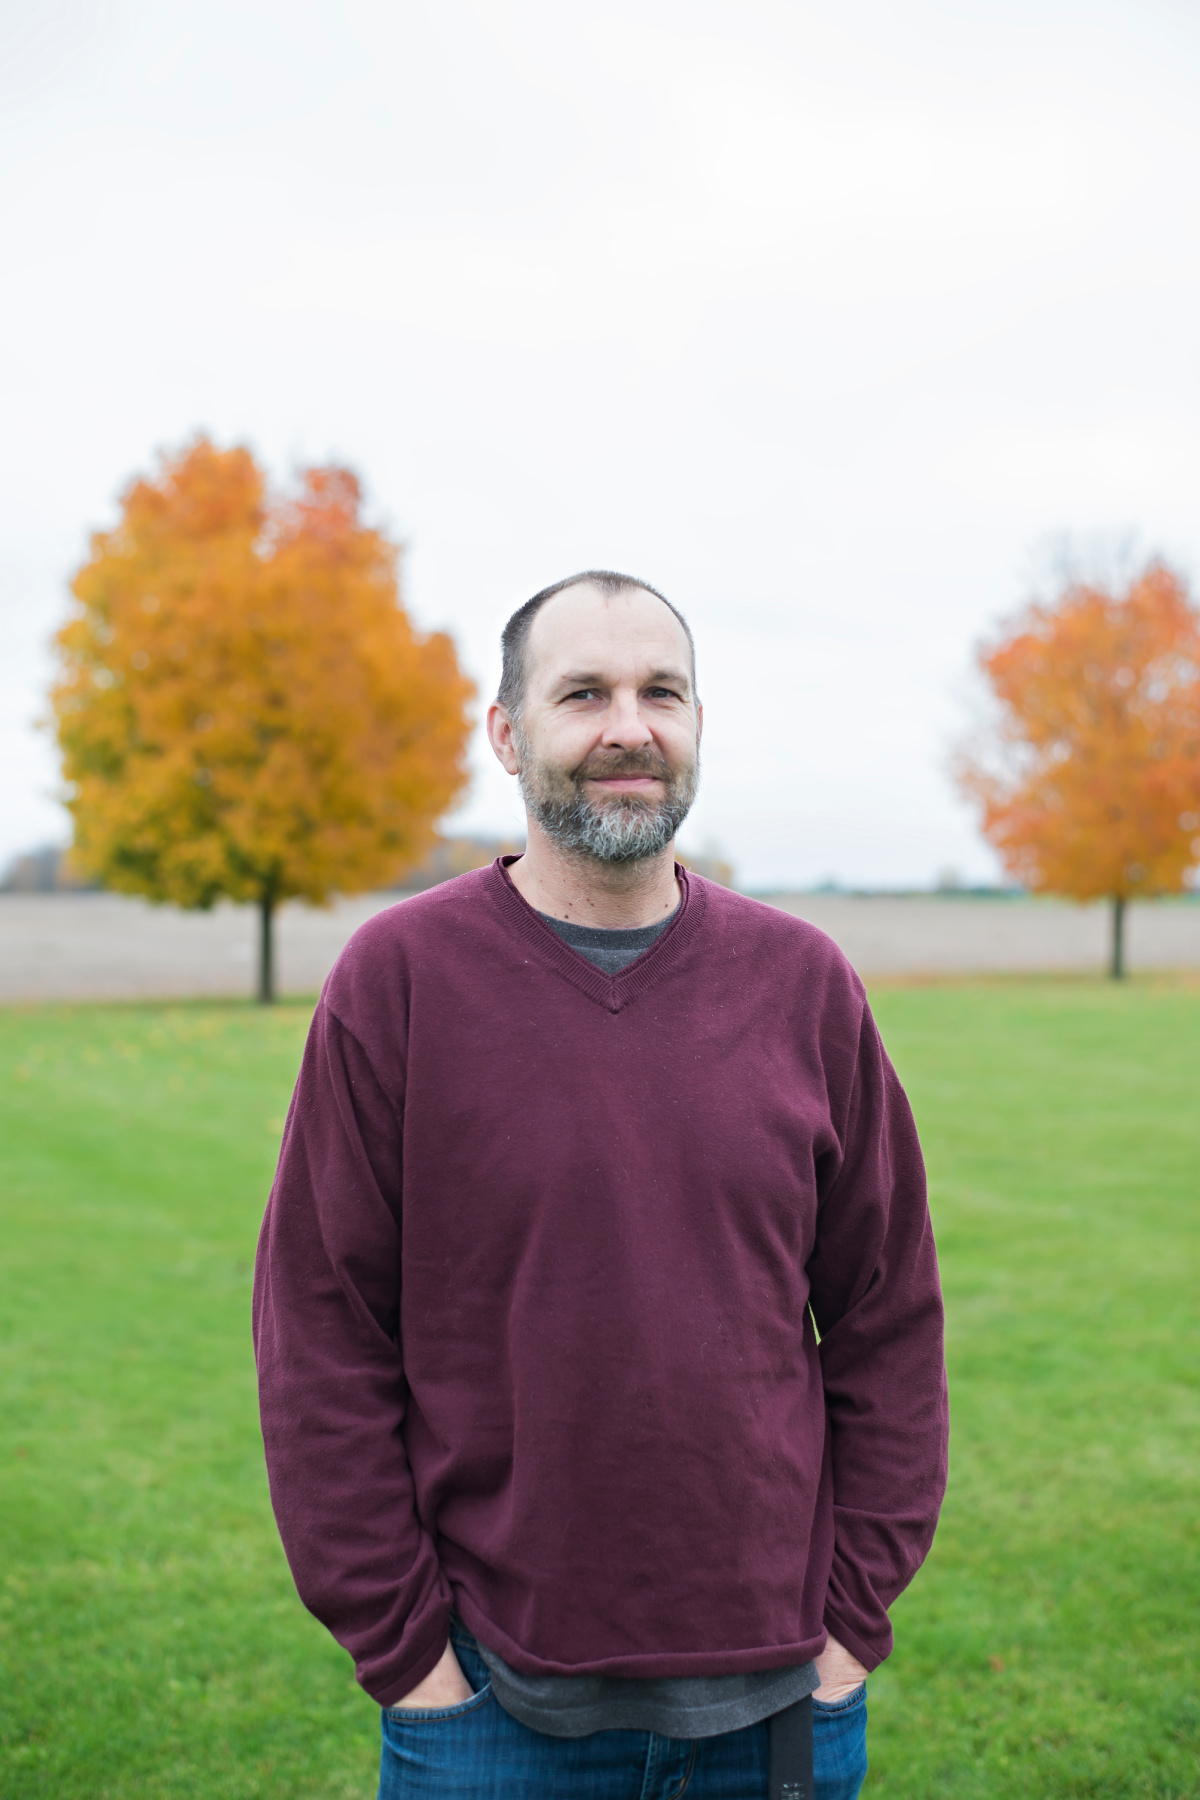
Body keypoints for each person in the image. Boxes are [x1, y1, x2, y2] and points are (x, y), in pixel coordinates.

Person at [253, 571, 948, 1800]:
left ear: (695, 727)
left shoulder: (804, 985)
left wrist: (848, 1635)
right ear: (510, 734)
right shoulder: (397, 983)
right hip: (485, 1708)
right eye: (584, 693)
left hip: (782, 1701)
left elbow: (888, 1322)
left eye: (661, 692)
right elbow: (320, 1338)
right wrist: (413, 1661)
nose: (631, 725)